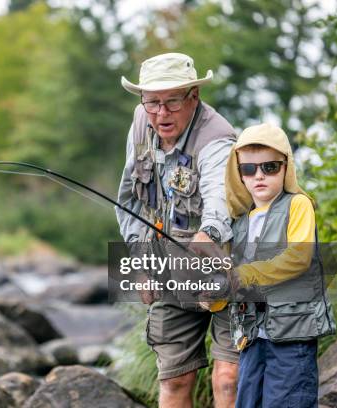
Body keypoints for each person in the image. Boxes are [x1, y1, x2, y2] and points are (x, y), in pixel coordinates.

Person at [116, 52, 239, 407]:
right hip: (169, 268)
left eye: (171, 101)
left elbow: (220, 197)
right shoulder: (141, 121)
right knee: (174, 379)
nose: (161, 113)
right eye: (152, 102)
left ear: (193, 96)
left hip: (227, 268)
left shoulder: (216, 137)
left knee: (228, 379)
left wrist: (209, 235)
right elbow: (129, 201)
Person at [224, 123, 336, 407]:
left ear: (286, 167)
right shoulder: (239, 222)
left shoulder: (298, 205)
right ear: (239, 174)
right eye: (248, 169)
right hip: (252, 337)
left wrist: (244, 274)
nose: (258, 175)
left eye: (270, 167)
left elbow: (298, 258)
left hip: (293, 335)